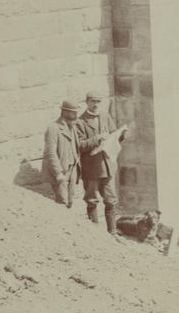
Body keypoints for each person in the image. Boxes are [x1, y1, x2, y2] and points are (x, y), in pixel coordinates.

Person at [74, 92, 127, 235]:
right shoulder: (80, 122)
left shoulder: (105, 116)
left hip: (107, 165)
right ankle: (95, 234)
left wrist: (120, 135)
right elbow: (79, 145)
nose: (96, 104)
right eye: (93, 101)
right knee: (92, 200)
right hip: (91, 168)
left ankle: (113, 232)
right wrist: (96, 139)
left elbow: (113, 135)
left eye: (98, 101)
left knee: (110, 200)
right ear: (87, 102)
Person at [42, 99, 81, 208]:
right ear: (65, 112)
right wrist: (58, 173)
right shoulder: (53, 128)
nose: (75, 115)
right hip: (61, 171)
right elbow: (51, 153)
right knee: (62, 202)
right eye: (73, 112)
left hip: (73, 168)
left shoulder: (72, 127)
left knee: (70, 201)